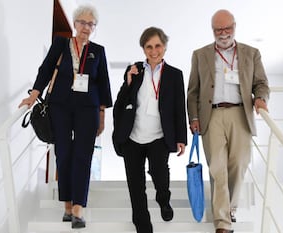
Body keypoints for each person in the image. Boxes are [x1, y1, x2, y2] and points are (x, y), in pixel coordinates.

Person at [19, 4, 112, 229]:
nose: (86, 27)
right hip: (60, 106)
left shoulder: (97, 51)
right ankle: (67, 205)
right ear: (74, 23)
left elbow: (103, 83)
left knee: (83, 155)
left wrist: (101, 114)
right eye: (82, 22)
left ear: (94, 27)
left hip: (88, 109)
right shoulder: (61, 44)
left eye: (91, 24)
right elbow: (46, 68)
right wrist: (34, 94)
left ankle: (79, 208)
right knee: (63, 153)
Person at [187, 9, 270, 233]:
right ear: (212, 30)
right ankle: (222, 223)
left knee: (239, 165)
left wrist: (261, 99)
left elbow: (261, 83)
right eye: (218, 30)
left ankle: (230, 207)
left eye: (227, 28)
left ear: (235, 26)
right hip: (211, 115)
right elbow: (193, 91)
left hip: (240, 113)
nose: (223, 34)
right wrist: (194, 117)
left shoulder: (251, 53)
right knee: (218, 168)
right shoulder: (200, 54)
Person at [112, 27, 187, 233]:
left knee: (159, 174)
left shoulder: (174, 75)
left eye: (158, 46)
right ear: (143, 49)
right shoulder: (135, 70)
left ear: (164, 47)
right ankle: (143, 226)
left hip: (159, 137)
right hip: (133, 137)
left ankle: (163, 200)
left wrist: (181, 137)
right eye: (149, 47)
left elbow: (180, 108)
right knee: (136, 186)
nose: (154, 51)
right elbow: (120, 105)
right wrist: (127, 83)